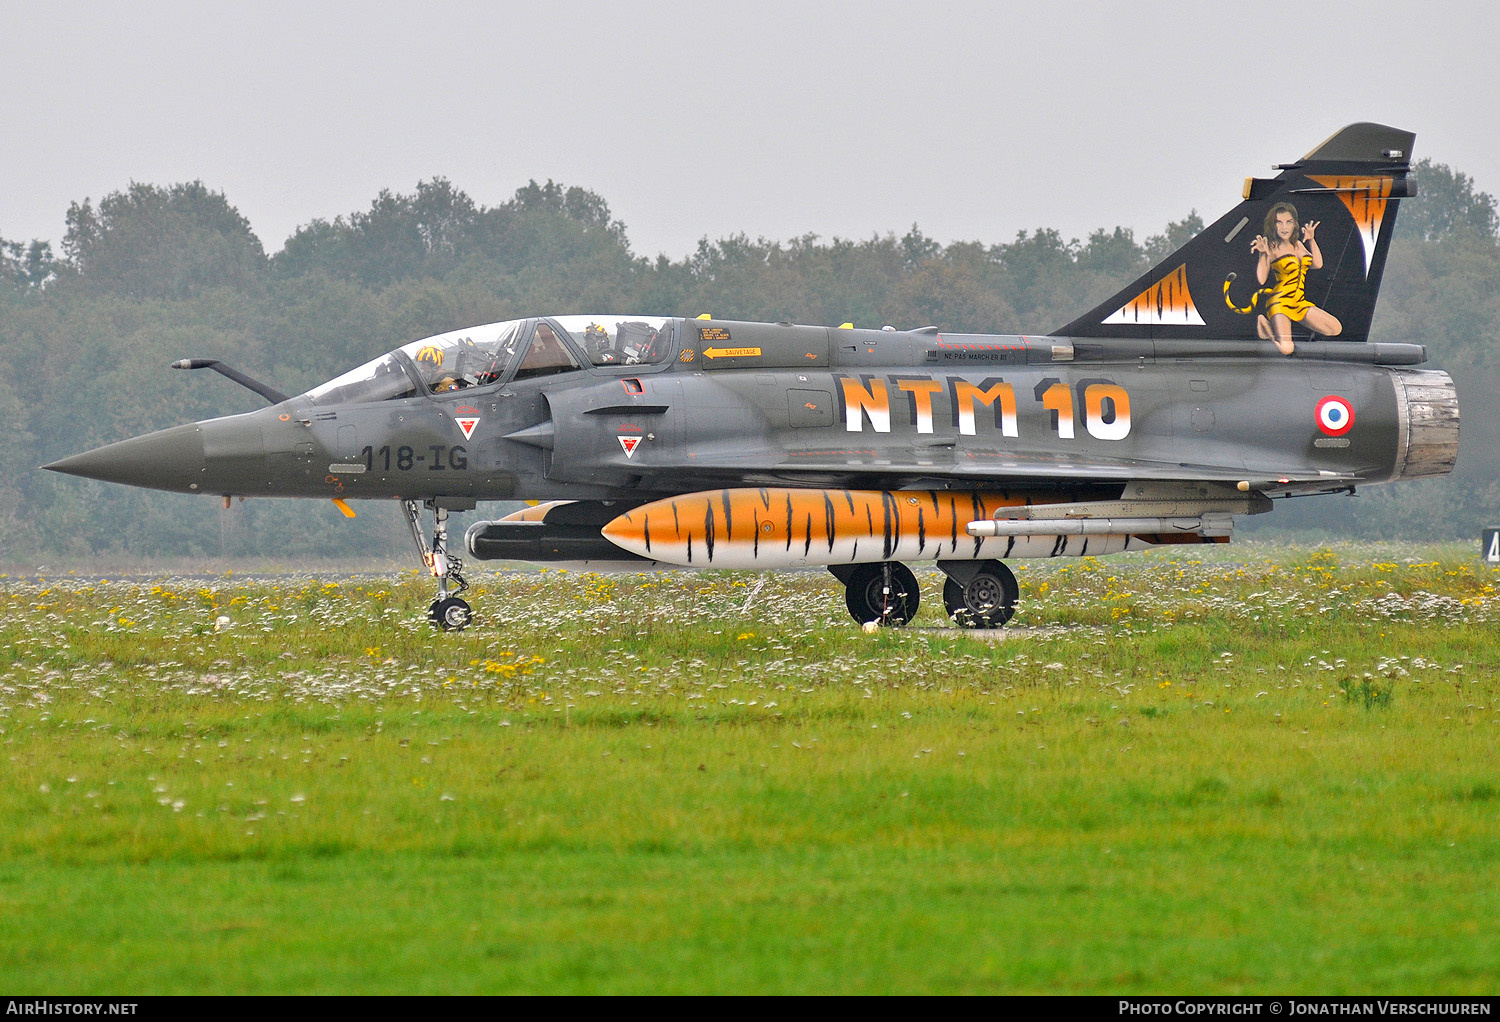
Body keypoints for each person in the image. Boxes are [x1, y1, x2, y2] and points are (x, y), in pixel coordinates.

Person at [1250, 202, 1342, 355]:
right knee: (1287, 348)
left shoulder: (1298, 245)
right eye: (1278, 223)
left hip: (1298, 301)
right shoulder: (1272, 248)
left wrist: (1312, 240)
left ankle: (1269, 330)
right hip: (1280, 301)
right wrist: (1263, 254)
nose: (1284, 227)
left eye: (1288, 222)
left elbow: (1317, 264)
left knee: (1334, 328)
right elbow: (1261, 278)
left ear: (1294, 225)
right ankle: (1265, 325)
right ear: (1273, 226)